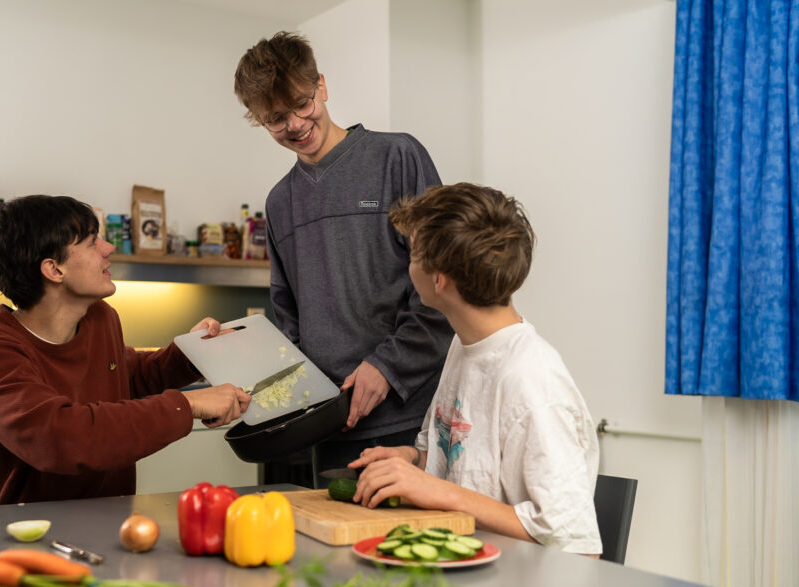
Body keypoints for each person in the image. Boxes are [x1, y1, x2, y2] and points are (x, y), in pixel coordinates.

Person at [234, 31, 452, 487]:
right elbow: (289, 320)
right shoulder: (279, 203)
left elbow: (443, 282)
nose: (294, 124)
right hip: (330, 426)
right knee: (337, 555)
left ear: (323, 86)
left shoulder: (398, 157)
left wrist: (387, 367)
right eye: (275, 118)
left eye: (302, 104)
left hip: (411, 417)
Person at [350, 183, 602, 555]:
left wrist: (436, 491)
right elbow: (465, 460)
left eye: (413, 253)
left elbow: (575, 542)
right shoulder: (463, 345)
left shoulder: (533, 380)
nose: (408, 265)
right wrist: (413, 462)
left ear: (439, 280)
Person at [0, 195, 250, 506]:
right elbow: (62, 439)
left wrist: (192, 353)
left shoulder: (100, 318)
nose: (108, 249)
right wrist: (186, 404)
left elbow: (130, 379)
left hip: (109, 522)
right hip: (22, 534)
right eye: (90, 241)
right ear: (54, 270)